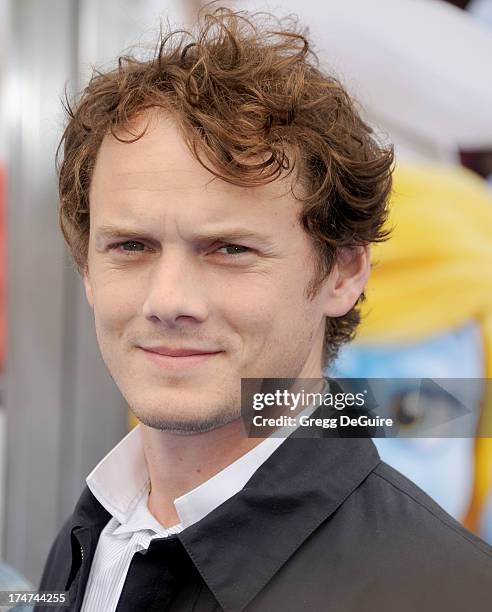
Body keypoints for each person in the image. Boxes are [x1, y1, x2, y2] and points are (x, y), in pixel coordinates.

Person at [36, 8, 491, 612]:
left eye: (230, 249)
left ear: (343, 271)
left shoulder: (444, 592)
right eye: (131, 246)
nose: (168, 300)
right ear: (86, 266)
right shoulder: (94, 536)